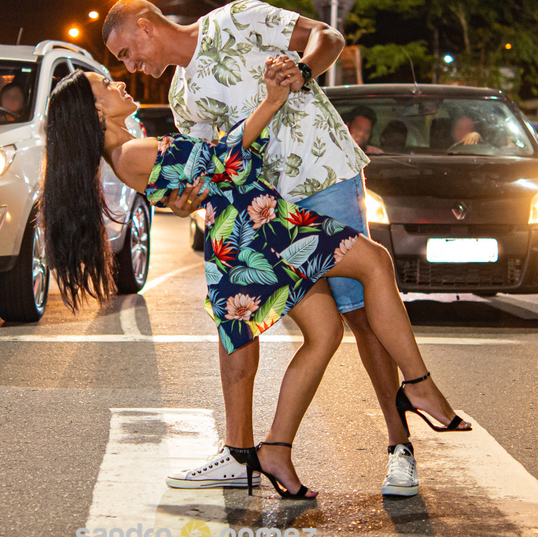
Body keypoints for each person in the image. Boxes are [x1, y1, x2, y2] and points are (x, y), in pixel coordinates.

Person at [42, 69, 469, 499]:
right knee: (374, 263)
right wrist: (271, 100)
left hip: (253, 227)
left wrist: (195, 188)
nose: (118, 83)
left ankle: (277, 449)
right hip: (260, 230)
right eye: (105, 84)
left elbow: (201, 181)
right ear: (96, 109)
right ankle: (417, 384)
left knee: (325, 334)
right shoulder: (131, 152)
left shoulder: (129, 151)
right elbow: (228, 158)